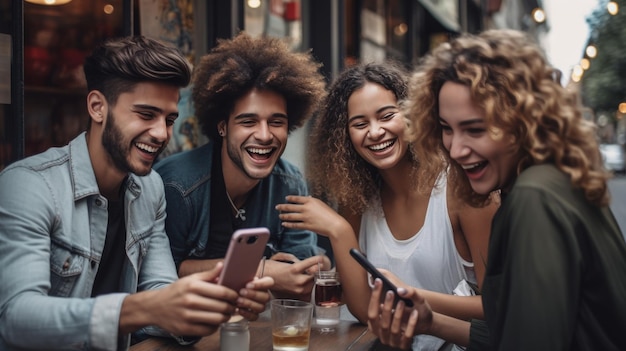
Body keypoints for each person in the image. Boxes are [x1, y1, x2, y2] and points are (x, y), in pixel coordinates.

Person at [0, 36, 273, 351]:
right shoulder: (29, 186)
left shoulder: (149, 188)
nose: (161, 133)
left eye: (169, 119)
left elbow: (161, 293)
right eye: (146, 115)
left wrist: (211, 302)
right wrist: (143, 308)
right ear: (98, 107)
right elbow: (15, 317)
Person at [367, 29, 626, 350]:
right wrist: (432, 322)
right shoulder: (549, 180)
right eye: (446, 129)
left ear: (523, 120)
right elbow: (520, 333)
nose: (457, 149)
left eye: (475, 129)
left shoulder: (535, 197)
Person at [276, 61, 498, 350]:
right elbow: (364, 309)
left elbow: (498, 307)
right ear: (345, 137)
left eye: (386, 115)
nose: (376, 131)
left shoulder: (460, 187)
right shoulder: (357, 197)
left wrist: (411, 296)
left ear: (412, 116)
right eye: (359, 124)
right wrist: (339, 229)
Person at [154, 32, 329, 301]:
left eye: (276, 122)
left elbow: (302, 276)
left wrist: (306, 269)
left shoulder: (290, 183)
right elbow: (163, 277)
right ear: (222, 126)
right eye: (248, 121)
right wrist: (259, 270)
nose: (264, 134)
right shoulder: (177, 186)